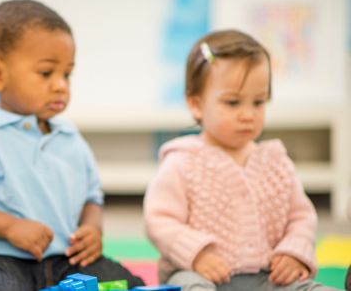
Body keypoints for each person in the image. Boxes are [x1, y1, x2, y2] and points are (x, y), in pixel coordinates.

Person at [0, 0, 144, 291]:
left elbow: (91, 198)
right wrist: (10, 227)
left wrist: (92, 228)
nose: (61, 84)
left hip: (67, 260)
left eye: (67, 74)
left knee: (128, 283)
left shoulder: (69, 136)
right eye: (47, 73)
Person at [143, 29, 340, 291]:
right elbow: (159, 220)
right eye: (233, 103)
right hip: (198, 273)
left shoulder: (276, 161)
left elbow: (301, 217)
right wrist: (197, 254)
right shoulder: (182, 162)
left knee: (311, 288)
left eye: (258, 102)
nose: (248, 115)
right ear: (196, 104)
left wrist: (293, 252)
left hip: (268, 276)